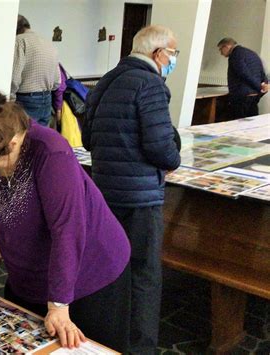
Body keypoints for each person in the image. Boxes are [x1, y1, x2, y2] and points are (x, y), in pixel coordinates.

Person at [0, 88, 131, 352]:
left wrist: (58, 305)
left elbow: (67, 232)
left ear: (10, 145)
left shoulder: (50, 153)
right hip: (30, 275)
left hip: (90, 274)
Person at [82, 25, 181, 354]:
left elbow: (87, 137)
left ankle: (107, 338)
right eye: (173, 53)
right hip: (141, 200)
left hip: (106, 192)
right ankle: (140, 347)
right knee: (143, 276)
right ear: (157, 54)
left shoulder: (107, 80)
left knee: (111, 267)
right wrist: (174, 155)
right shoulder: (150, 84)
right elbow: (161, 149)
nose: (173, 60)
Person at [11, 15, 61, 127]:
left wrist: (10, 100)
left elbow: (14, 78)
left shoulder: (19, 41)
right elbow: (57, 81)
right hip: (47, 99)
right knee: (40, 138)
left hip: (26, 99)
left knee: (24, 139)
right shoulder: (48, 43)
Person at [217, 37, 268, 119]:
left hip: (242, 95)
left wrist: (259, 86)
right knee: (252, 122)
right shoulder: (252, 53)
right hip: (254, 95)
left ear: (226, 46)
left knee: (238, 123)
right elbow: (262, 71)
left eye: (220, 49)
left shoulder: (235, 54)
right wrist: (263, 86)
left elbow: (243, 73)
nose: (221, 53)